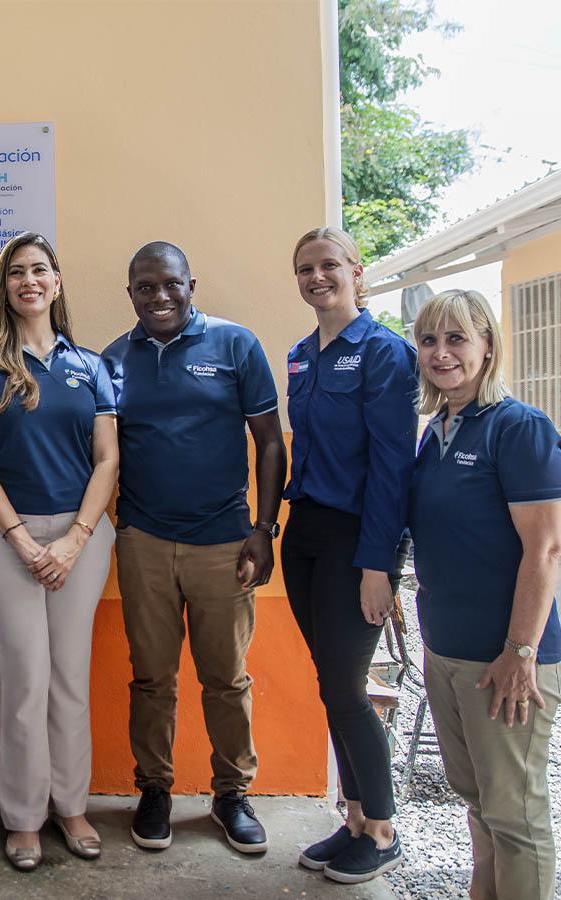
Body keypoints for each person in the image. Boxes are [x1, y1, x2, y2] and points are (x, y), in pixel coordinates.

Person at [101, 241, 286, 855]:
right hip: (145, 541)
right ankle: (154, 789)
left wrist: (264, 529)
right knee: (151, 678)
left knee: (226, 679)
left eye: (169, 284)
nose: (159, 296)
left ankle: (232, 794)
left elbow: (269, 442)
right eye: (145, 287)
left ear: (191, 285)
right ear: (130, 293)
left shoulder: (236, 346)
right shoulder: (112, 360)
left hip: (224, 542)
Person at [0, 233, 118, 871]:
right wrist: (20, 538)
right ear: (3, 286)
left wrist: (74, 539)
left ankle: (71, 807)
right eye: (16, 272)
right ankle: (21, 816)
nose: (29, 281)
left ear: (57, 280)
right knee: (24, 679)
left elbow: (109, 459)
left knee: (70, 678)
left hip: (82, 538)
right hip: (2, 539)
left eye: (39, 270)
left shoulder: (91, 365)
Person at [407, 290, 561, 900]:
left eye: (456, 339)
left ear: (487, 345)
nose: (440, 353)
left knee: (516, 814)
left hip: (505, 657)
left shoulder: (517, 427)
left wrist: (520, 652)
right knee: (478, 802)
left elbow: (546, 549)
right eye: (428, 341)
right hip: (448, 649)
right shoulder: (438, 430)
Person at [282, 227, 417, 884]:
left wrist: (378, 565)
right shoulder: (302, 355)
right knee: (330, 684)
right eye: (305, 268)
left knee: (347, 687)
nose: (317, 277)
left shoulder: (384, 353)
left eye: (329, 265)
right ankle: (357, 818)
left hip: (352, 540)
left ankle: (384, 830)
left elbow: (393, 470)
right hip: (302, 535)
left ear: (357, 272)